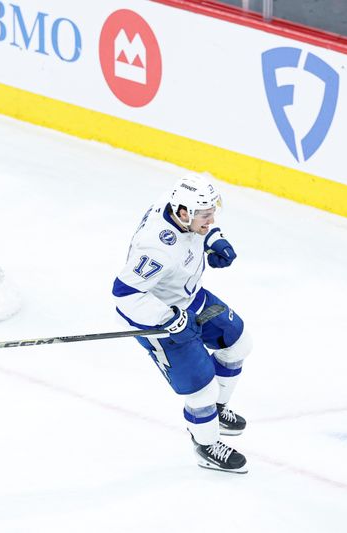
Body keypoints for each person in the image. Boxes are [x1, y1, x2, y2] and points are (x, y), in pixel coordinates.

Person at [112, 172, 252, 473]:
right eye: (205, 215)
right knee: (200, 390)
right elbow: (124, 296)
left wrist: (213, 240)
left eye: (212, 212)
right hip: (160, 319)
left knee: (238, 343)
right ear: (184, 213)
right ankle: (206, 445)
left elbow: (197, 231)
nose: (211, 219)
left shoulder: (176, 204)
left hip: (190, 297)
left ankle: (214, 411)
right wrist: (169, 320)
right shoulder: (157, 250)